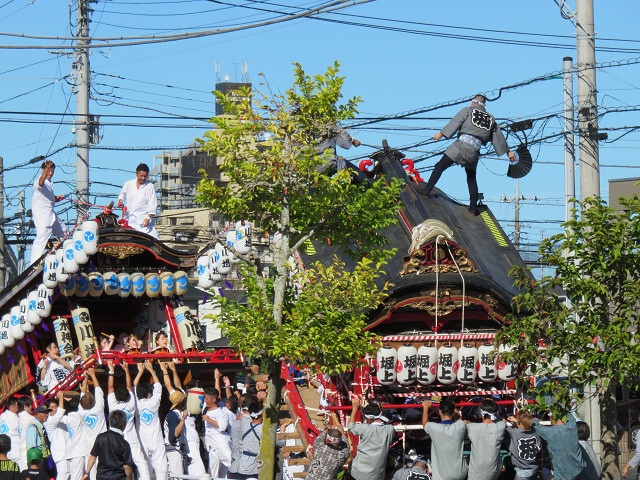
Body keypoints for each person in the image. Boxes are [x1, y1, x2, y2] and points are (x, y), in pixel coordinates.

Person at [417, 95, 516, 216]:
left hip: (461, 146)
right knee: (471, 178)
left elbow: (455, 122)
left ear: (474, 102)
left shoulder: (468, 111)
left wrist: (441, 133)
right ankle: (473, 209)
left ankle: (426, 191)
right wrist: (508, 152)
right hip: (474, 152)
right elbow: (498, 137)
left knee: (440, 166)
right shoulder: (491, 119)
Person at [160, 361, 206, 476]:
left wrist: (169, 371)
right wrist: (170, 370)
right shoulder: (184, 406)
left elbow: (173, 386)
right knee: (186, 469)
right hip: (185, 440)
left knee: (195, 467)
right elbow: (174, 386)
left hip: (189, 439)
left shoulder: (188, 405)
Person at [106, 362, 150, 480]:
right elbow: (129, 386)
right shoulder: (131, 404)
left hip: (117, 440)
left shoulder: (113, 406)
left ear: (116, 397)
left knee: (118, 464)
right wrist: (126, 369)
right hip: (131, 438)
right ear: (127, 397)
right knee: (141, 462)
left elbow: (110, 387)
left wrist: (111, 370)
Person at [133, 362, 167, 480]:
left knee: (143, 473)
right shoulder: (154, 402)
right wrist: (151, 370)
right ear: (149, 393)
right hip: (156, 440)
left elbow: (133, 387)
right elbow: (158, 386)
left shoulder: (135, 405)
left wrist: (140, 371)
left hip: (142, 441)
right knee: (161, 471)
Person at [347, 397, 395, 480]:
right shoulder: (390, 429)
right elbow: (385, 422)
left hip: (358, 473)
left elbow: (350, 427)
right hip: (377, 475)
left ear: (368, 418)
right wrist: (380, 411)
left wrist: (354, 408)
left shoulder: (365, 429)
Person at [30, 160, 67, 265]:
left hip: (51, 216)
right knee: (41, 238)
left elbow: (47, 198)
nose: (50, 173)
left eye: (52, 171)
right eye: (48, 171)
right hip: (43, 217)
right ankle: (34, 264)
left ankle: (66, 255)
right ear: (43, 170)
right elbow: (40, 183)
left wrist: (56, 198)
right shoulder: (39, 182)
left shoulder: (49, 184)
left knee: (64, 232)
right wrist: (45, 171)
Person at [421, 398, 468, 480]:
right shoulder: (460, 426)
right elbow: (459, 419)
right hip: (460, 473)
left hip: (442, 476)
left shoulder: (434, 428)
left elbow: (425, 423)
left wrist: (426, 407)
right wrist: (453, 406)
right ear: (453, 413)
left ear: (440, 412)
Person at [83, 410, 134, 480]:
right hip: (118, 477)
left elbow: (92, 457)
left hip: (102, 477)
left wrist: (87, 473)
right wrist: (130, 478)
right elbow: (127, 466)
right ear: (123, 424)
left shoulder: (100, 437)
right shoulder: (124, 444)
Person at [533, 412, 585, 480]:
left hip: (562, 476)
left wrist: (534, 420)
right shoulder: (572, 426)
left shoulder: (550, 432)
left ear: (551, 418)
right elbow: (567, 412)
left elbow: (535, 425)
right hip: (578, 472)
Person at [466, 398, 506, 480]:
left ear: (481, 413)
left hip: (476, 472)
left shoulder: (472, 427)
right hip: (494, 470)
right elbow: (500, 419)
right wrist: (492, 406)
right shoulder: (501, 426)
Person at [78, 367, 107, 476]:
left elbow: (82, 393)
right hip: (103, 443)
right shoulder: (99, 408)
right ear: (94, 401)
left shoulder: (81, 412)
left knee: (92, 469)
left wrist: (85, 378)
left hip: (90, 443)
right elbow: (98, 389)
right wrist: (93, 375)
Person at [117, 163, 158, 239]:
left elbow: (153, 204)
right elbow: (122, 194)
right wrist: (120, 201)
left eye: (145, 176)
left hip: (143, 220)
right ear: (136, 174)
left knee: (154, 239)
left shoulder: (150, 186)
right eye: (141, 176)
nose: (143, 178)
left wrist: (148, 218)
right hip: (129, 218)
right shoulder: (128, 184)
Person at [202, 387, 232, 478]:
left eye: (207, 398)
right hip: (211, 446)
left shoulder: (221, 413)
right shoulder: (206, 409)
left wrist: (210, 420)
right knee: (213, 472)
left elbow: (222, 427)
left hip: (220, 442)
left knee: (228, 462)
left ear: (214, 399)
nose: (205, 400)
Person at [506, 410, 542, 480]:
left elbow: (503, 427)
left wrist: (504, 421)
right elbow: (534, 422)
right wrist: (518, 421)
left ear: (519, 420)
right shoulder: (536, 431)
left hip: (521, 473)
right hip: (534, 468)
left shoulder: (514, 432)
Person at [43, 393, 69, 480]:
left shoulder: (62, 418)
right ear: (48, 409)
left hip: (69, 452)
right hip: (60, 454)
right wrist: (61, 398)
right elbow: (60, 413)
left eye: (56, 406)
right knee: (63, 475)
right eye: (53, 407)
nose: (56, 409)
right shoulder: (48, 421)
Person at [236, 401, 264, 479]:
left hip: (242, 464)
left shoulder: (245, 426)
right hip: (254, 467)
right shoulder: (263, 430)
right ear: (262, 414)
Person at [62, 397, 86, 480]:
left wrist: (64, 400)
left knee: (75, 476)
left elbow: (58, 414)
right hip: (79, 451)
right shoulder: (80, 417)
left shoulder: (66, 418)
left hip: (72, 451)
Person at [25, 406, 51, 478]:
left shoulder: (40, 427)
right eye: (44, 413)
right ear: (37, 414)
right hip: (37, 462)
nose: (46, 415)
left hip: (42, 461)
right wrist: (35, 464)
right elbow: (32, 448)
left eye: (47, 413)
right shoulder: (33, 427)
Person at [0, 398, 22, 466]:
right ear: (11, 407)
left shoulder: (2, 416)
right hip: (15, 447)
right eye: (17, 407)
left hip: (3, 448)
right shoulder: (15, 418)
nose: (18, 409)